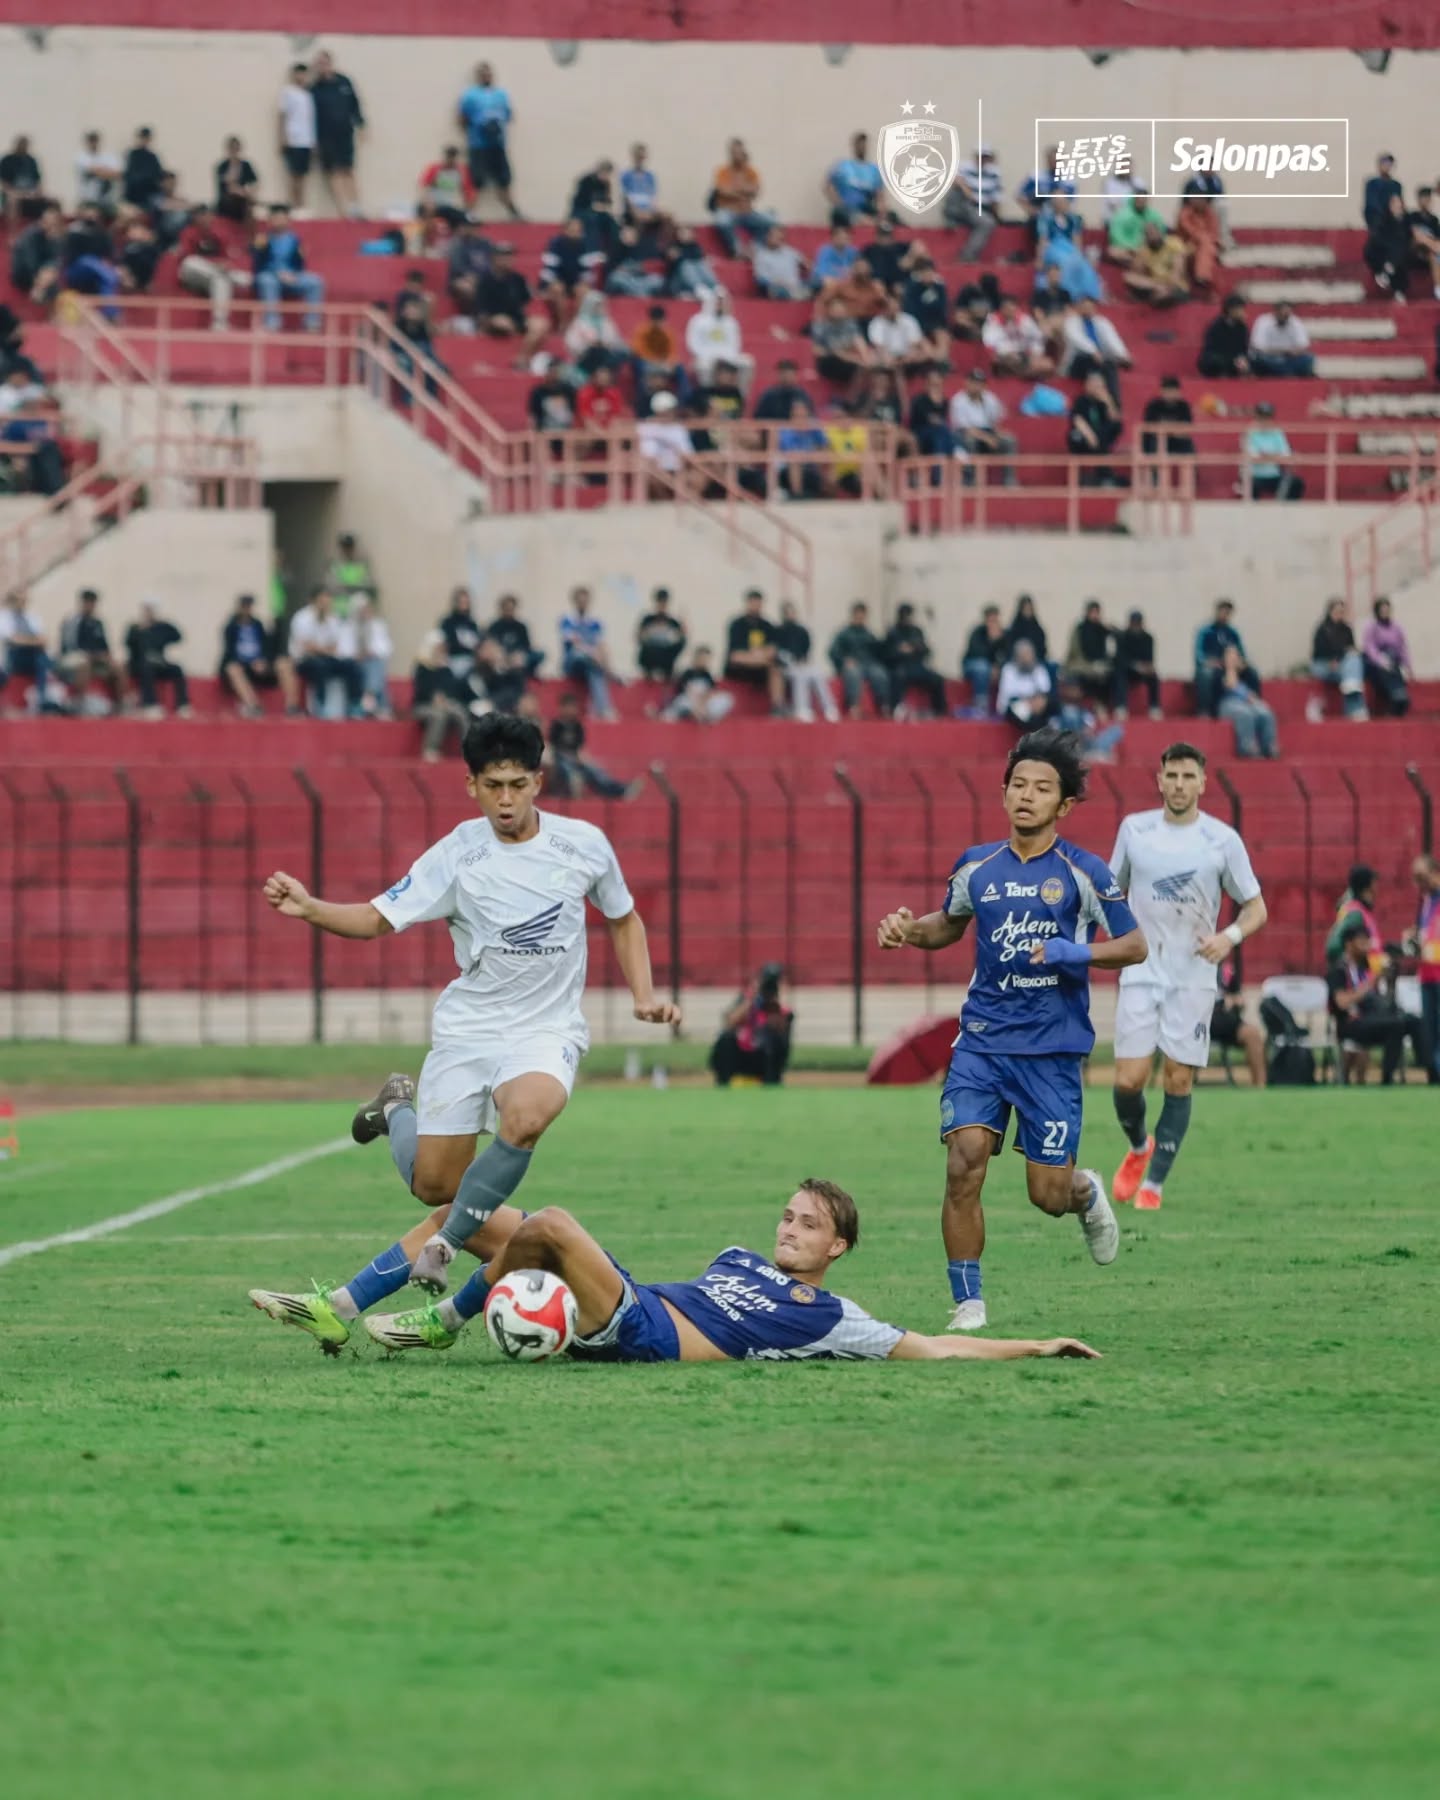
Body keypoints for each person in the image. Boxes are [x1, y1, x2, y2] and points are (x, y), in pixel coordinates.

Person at [248, 713, 681, 1341]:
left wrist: (644, 995)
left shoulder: (584, 845)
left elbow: (624, 918)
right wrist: (310, 908)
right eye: (493, 786)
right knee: (435, 1185)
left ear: (539, 781)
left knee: (527, 1117)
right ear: (471, 785)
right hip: (470, 1030)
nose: (506, 800)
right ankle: (397, 1107)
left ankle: (442, 1249)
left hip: (547, 1028)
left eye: (518, 784)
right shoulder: (457, 855)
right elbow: (376, 918)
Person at [877, 727, 1146, 1328]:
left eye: (1042, 788)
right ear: (1003, 793)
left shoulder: (1084, 871)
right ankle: (968, 1303)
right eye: (1018, 784)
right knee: (963, 1160)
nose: (1027, 795)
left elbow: (1134, 944)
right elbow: (948, 924)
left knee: (1047, 1196)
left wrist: (1075, 953)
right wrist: (907, 929)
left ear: (1064, 805)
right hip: (982, 1042)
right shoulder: (976, 866)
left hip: (1051, 1051)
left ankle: (1084, 1191)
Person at [361, 1179, 1098, 1363]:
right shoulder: (737, 1258)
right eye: (788, 1216)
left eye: (808, 1225)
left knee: (549, 1222)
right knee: (471, 1211)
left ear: (837, 1248)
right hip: (630, 1296)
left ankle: (444, 1321)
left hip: (641, 1333)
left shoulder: (830, 1318)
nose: (789, 1229)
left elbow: (933, 1348)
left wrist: (1037, 1346)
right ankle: (347, 1301)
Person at [1108, 743, 1267, 1210]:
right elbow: (1110, 892)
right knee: (1128, 1081)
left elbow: (1256, 907)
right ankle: (1139, 1146)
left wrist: (1228, 937)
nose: (1179, 784)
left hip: (1193, 977)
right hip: (1141, 970)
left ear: (1202, 783)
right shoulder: (1135, 830)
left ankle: (1154, 1186)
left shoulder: (1221, 840)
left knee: (1178, 1080)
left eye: (1188, 776)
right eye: (1172, 776)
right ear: (1159, 780)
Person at [1327, 918, 1432, 1085]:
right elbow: (1342, 1003)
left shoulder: (1367, 966)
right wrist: (1371, 983)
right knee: (1395, 1025)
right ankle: (1387, 1078)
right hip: (1351, 1023)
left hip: (1374, 1017)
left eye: (1367, 941)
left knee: (1414, 1022)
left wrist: (1389, 978)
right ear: (1349, 944)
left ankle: (1431, 1071)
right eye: (1362, 941)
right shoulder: (1339, 970)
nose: (1366, 945)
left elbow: (1382, 999)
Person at [710, 963, 794, 1086]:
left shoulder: (781, 1005)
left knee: (776, 1042)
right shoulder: (747, 999)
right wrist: (752, 999)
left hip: (765, 1057)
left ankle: (772, 1082)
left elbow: (781, 1028)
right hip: (742, 1054)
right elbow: (729, 1023)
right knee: (725, 1039)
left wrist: (776, 1002)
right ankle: (723, 1082)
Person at [219, 591, 300, 716]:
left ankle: (292, 706)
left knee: (284, 664)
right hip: (242, 666)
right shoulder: (230, 627)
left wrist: (263, 660)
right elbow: (230, 652)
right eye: (244, 606)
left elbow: (266, 647)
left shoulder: (258, 625)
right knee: (233, 669)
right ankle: (253, 705)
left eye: (249, 606)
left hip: (261, 665)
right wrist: (248, 663)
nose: (247, 609)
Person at [457, 61, 521, 219]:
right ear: (478, 76)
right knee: (477, 181)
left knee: (504, 180)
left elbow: (508, 115)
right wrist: (477, 129)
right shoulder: (470, 95)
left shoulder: (501, 95)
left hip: (498, 145)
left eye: (488, 73)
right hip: (479, 145)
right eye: (482, 74)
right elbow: (462, 119)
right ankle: (468, 214)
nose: (486, 76)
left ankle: (514, 213)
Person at [288, 585, 362, 717]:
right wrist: (322, 649)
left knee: (351, 666)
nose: (325, 605)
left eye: (327, 602)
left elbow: (334, 646)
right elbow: (306, 647)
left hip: (326, 658)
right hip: (304, 660)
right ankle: (320, 704)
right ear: (313, 601)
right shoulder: (302, 618)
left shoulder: (332, 618)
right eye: (322, 602)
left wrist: (321, 649)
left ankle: (354, 704)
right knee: (320, 666)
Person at [309, 49, 365, 218]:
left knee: (348, 169)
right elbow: (311, 117)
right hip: (326, 137)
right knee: (333, 171)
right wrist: (314, 140)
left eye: (325, 63)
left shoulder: (344, 81)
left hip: (345, 133)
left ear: (331, 63)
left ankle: (355, 206)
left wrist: (361, 123)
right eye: (319, 64)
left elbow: (355, 103)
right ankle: (342, 210)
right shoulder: (315, 89)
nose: (323, 66)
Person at [548, 692, 635, 799]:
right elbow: (553, 746)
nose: (571, 710)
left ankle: (621, 790)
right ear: (561, 708)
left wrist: (582, 759)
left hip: (577, 758)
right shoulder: (556, 725)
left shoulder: (577, 726)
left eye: (573, 707)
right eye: (568, 707)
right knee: (567, 769)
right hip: (561, 758)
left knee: (595, 771)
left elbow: (580, 747)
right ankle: (574, 784)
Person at [177, 205, 251, 330]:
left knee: (221, 280)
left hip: (213, 276)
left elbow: (227, 258)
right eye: (201, 216)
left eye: (207, 215)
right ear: (195, 218)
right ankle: (232, 277)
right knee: (191, 261)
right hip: (191, 275)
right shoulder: (188, 232)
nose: (205, 219)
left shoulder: (219, 233)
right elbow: (185, 257)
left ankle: (219, 323)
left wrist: (223, 265)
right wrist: (214, 264)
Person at [252, 205, 325, 332]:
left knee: (315, 281)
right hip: (271, 275)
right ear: (270, 220)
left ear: (288, 220)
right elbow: (258, 264)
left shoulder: (295, 240)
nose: (279, 221)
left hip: (292, 276)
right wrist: (277, 273)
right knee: (266, 281)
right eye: (276, 218)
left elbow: (300, 264)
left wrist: (293, 274)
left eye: (282, 218)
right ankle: (272, 323)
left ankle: (312, 323)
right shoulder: (262, 239)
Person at [57, 587, 124, 712]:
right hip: (74, 657)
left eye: (92, 603)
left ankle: (119, 704)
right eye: (87, 602)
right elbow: (70, 647)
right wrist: (90, 655)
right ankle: (79, 702)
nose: (90, 606)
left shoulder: (98, 623)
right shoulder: (72, 621)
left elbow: (105, 647)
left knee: (119, 666)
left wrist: (106, 657)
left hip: (96, 659)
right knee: (84, 663)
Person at [722, 587, 785, 713]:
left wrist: (760, 655)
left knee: (776, 669)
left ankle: (778, 706)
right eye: (753, 602)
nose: (756, 606)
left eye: (758, 603)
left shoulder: (767, 626)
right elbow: (735, 655)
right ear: (747, 603)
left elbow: (772, 649)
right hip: (739, 668)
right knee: (744, 659)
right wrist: (757, 656)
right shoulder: (737, 625)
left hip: (761, 667)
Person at [559, 585, 617, 720]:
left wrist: (606, 662)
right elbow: (575, 643)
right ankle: (602, 707)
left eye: (585, 600)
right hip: (573, 663)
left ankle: (602, 708)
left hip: (590, 664)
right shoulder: (567, 620)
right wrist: (593, 654)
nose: (582, 603)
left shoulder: (595, 623)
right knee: (580, 656)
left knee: (595, 670)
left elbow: (601, 644)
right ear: (575, 601)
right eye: (580, 600)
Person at [709, 137, 773, 258]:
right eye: (734, 152)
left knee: (771, 220)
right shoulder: (722, 171)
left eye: (739, 152)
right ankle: (738, 250)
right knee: (721, 220)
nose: (736, 155)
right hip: (728, 211)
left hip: (747, 212)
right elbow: (723, 191)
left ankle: (754, 249)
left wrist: (735, 190)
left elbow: (756, 191)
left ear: (743, 152)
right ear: (730, 154)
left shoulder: (751, 172)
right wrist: (744, 191)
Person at [411, 630, 470, 764]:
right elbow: (421, 690)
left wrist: (442, 670)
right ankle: (430, 749)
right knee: (439, 715)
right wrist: (434, 697)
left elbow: (453, 690)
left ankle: (468, 748)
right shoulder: (422, 667)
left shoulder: (446, 669)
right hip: (423, 705)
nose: (441, 650)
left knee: (460, 712)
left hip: (445, 704)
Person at [1193, 597, 1259, 716]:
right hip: (1211, 666)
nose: (1225, 615)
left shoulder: (1233, 633)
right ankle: (1206, 710)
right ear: (1217, 611)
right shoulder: (1205, 631)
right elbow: (1199, 656)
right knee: (1207, 673)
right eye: (1222, 611)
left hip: (1230, 666)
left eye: (1228, 613)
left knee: (1251, 672)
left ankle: (1254, 702)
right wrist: (1211, 662)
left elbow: (1241, 653)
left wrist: (1240, 662)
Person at [775, 598, 837, 723]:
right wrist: (790, 660)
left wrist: (803, 661)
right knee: (800, 675)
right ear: (783, 614)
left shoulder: (802, 631)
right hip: (785, 666)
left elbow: (806, 650)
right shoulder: (777, 631)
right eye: (787, 612)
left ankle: (829, 708)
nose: (790, 615)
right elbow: (777, 651)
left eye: (792, 612)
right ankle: (802, 708)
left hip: (802, 663)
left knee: (817, 673)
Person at [882, 602, 947, 719]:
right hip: (900, 666)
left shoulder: (917, 631)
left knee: (937, 679)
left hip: (917, 666)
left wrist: (915, 648)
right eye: (905, 615)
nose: (907, 619)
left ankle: (939, 710)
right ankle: (895, 708)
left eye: (909, 615)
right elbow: (886, 655)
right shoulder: (892, 632)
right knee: (898, 676)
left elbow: (926, 650)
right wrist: (900, 651)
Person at [125, 601, 190, 718]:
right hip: (139, 664)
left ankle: (182, 705)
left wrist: (162, 623)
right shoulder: (135, 627)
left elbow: (178, 636)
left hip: (158, 663)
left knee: (177, 669)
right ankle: (150, 704)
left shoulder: (161, 628)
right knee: (147, 668)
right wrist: (140, 631)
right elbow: (128, 644)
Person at [828, 600, 889, 719]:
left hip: (869, 664)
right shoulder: (843, 633)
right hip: (852, 664)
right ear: (853, 615)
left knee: (879, 673)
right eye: (858, 615)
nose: (860, 618)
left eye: (863, 615)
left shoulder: (869, 634)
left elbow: (878, 652)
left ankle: (883, 705)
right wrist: (844, 660)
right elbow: (833, 651)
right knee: (853, 673)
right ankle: (854, 706)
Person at [1310, 598, 1368, 722]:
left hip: (1342, 664)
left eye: (1342, 611)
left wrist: (1343, 658)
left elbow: (1350, 648)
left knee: (1353, 663)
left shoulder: (1347, 629)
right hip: (1323, 664)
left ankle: (1354, 708)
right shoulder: (1322, 629)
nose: (1340, 614)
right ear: (1330, 611)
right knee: (1351, 676)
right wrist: (1331, 661)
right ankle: (1356, 708)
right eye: (1337, 611)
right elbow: (1319, 652)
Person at [1218, 646, 1279, 759]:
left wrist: (1244, 671)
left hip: (1248, 702)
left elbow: (1255, 694)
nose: (1232, 659)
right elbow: (1226, 687)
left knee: (1265, 712)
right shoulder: (1218, 672)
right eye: (1229, 656)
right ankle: (1247, 747)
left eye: (1235, 656)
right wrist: (1230, 670)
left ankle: (1269, 746)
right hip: (1228, 703)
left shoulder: (1248, 672)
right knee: (1245, 714)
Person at [1410, 854, 1440, 1084]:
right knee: (1429, 1029)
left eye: (1422, 877)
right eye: (1416, 879)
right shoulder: (1427, 901)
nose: (1419, 883)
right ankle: (1434, 1073)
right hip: (1427, 975)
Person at [0, 589, 51, 712]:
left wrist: (27, 641)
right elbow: (13, 640)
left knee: (43, 659)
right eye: (18, 600)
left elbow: (43, 639)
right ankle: (41, 698)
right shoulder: (4, 617)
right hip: (15, 657)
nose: (21, 603)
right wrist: (33, 641)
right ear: (11, 601)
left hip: (34, 655)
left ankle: (42, 697)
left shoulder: (32, 618)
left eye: (23, 600)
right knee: (39, 658)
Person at [1325, 864, 1384, 971]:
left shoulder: (1363, 911)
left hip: (1368, 977)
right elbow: (1333, 947)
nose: (1377, 887)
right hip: (1360, 978)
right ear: (1369, 886)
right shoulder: (1355, 914)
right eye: (1374, 883)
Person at [1362, 595, 1411, 717]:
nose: (1385, 613)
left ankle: (1399, 697)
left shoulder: (1397, 627)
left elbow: (1402, 648)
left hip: (1393, 661)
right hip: (1374, 664)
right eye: (1382, 610)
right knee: (1387, 666)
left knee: (1393, 662)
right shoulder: (1371, 627)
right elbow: (1369, 647)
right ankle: (1398, 696)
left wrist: (1407, 665)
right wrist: (1381, 660)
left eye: (1387, 610)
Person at [1245, 402, 1304, 501]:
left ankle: (1285, 509)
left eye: (1268, 417)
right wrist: (1276, 456)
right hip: (1255, 476)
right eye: (1262, 417)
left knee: (1296, 483)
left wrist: (1265, 456)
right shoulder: (1250, 433)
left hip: (1274, 475)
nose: (1265, 421)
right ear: (1257, 417)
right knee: (1250, 485)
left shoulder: (1277, 433)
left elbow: (1287, 457)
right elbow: (1253, 458)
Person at [278, 63, 317, 209]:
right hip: (293, 139)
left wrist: (313, 141)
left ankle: (301, 205)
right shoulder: (287, 92)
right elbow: (282, 115)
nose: (301, 77)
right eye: (298, 73)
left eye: (304, 74)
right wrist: (282, 137)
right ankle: (294, 205)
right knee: (294, 174)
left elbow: (310, 119)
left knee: (303, 175)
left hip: (307, 141)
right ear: (293, 75)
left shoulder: (308, 94)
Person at [662, 646, 733, 723]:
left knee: (726, 698)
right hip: (689, 700)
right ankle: (690, 714)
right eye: (702, 658)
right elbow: (684, 691)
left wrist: (703, 702)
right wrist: (696, 703)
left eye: (706, 659)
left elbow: (711, 692)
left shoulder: (707, 676)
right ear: (696, 658)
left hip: (704, 702)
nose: (704, 661)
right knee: (681, 702)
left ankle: (705, 716)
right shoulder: (687, 674)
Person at [1063, 600, 1114, 708]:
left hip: (1100, 664)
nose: (1094, 615)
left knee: (1108, 673)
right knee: (1089, 674)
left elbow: (1113, 645)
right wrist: (1090, 666)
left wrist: (1109, 629)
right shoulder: (1080, 629)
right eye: (1092, 612)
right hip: (1081, 663)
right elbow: (1074, 652)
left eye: (1097, 612)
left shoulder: (1102, 629)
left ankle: (1102, 705)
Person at [1364, 192, 1414, 302]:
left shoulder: (1406, 220)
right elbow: (1377, 240)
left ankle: (1390, 273)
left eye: (1398, 202)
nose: (1397, 205)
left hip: (1400, 256)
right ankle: (1388, 269)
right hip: (1381, 254)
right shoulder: (1382, 220)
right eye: (1393, 203)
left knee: (1400, 250)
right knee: (1396, 249)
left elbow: (1408, 238)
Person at [1112, 609, 1161, 718]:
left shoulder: (1148, 638)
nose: (1136, 625)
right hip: (1127, 669)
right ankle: (1121, 706)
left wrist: (1147, 667)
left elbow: (1149, 658)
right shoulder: (1122, 637)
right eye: (1134, 622)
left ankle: (1154, 707)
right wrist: (1135, 666)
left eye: (1138, 622)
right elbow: (1120, 659)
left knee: (1153, 676)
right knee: (1119, 674)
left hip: (1142, 670)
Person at [824, 131, 882, 223]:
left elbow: (879, 195)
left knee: (891, 217)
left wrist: (881, 211)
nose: (862, 147)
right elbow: (828, 187)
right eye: (859, 144)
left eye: (864, 145)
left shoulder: (873, 170)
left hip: (866, 208)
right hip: (847, 209)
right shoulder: (842, 166)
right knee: (839, 213)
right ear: (854, 146)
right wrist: (840, 203)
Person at [994, 639, 1052, 729]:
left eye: (1029, 655)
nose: (1027, 659)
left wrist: (1038, 702)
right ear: (1017, 657)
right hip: (1014, 705)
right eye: (1024, 656)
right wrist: (1029, 702)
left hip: (1035, 705)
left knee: (1051, 706)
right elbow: (1009, 695)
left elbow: (1044, 692)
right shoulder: (1009, 670)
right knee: (1022, 710)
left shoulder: (1039, 669)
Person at [1248, 303, 1314, 378]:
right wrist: (1283, 351)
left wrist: (1294, 352)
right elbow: (1258, 347)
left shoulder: (1295, 321)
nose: (1285, 317)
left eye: (1287, 315)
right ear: (1275, 312)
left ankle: (1281, 372)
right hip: (1269, 357)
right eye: (1282, 314)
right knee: (1257, 359)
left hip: (1289, 359)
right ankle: (1287, 372)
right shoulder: (1263, 321)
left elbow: (1303, 346)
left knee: (1308, 358)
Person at [636, 587, 686, 683]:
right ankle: (649, 674)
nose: (662, 605)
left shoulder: (672, 622)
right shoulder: (648, 619)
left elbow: (681, 637)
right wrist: (651, 633)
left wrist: (682, 621)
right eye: (660, 602)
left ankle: (667, 674)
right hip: (651, 652)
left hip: (666, 654)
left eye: (664, 602)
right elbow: (639, 637)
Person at [962, 604, 1006, 709]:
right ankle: (981, 704)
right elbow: (977, 654)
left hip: (993, 668)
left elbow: (1006, 654)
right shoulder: (977, 633)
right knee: (982, 667)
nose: (993, 623)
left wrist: (998, 666)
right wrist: (992, 641)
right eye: (990, 620)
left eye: (995, 620)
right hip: (972, 666)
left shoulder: (1003, 634)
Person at [1197, 293, 1250, 378]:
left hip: (1234, 360)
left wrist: (1242, 359)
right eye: (1239, 309)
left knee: (1251, 362)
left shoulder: (1242, 327)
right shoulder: (1216, 326)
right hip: (1217, 358)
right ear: (1230, 310)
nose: (1242, 312)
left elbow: (1243, 348)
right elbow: (1211, 348)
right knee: (1213, 361)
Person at [215, 136, 259, 224]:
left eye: (236, 148)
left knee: (248, 203)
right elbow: (228, 185)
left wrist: (249, 191)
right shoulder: (222, 166)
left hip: (244, 198)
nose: (234, 151)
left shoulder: (246, 165)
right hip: (228, 200)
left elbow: (254, 182)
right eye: (232, 148)